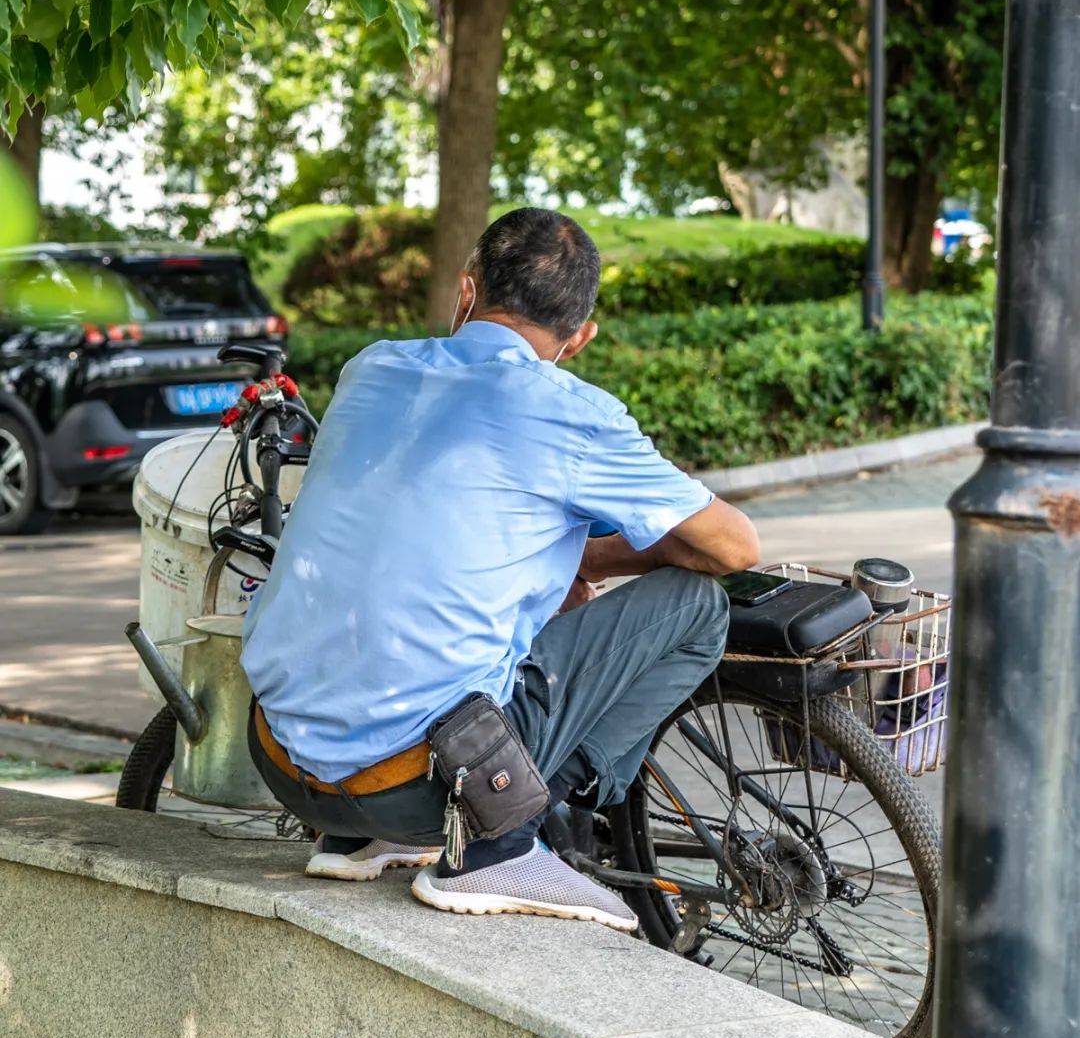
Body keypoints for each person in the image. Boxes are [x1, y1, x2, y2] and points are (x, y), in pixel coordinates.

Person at [241, 207, 759, 930]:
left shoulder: (373, 368)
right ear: (578, 339)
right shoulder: (572, 412)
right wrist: (619, 553)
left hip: (279, 761)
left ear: (465, 292)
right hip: (421, 791)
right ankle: (505, 834)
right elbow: (734, 549)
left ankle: (359, 839)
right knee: (698, 606)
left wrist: (577, 556)